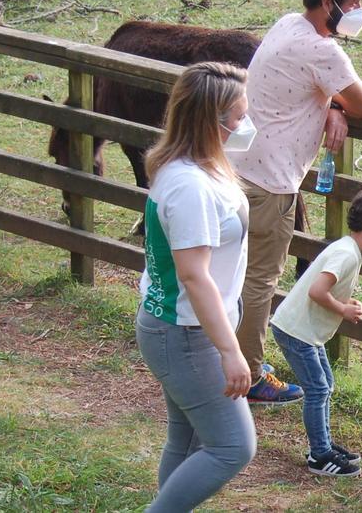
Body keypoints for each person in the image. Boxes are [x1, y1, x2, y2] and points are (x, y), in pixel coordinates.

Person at [229, 0, 362, 405]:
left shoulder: (286, 25)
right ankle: (251, 374)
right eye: (353, 4)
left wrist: (331, 102)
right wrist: (339, 103)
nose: (358, 13)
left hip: (236, 168)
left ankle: (228, 355)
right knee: (259, 280)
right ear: (329, 4)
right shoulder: (323, 52)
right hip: (271, 184)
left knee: (232, 271)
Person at [135, 62, 258, 512]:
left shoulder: (202, 167)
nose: (246, 125)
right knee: (232, 446)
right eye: (238, 117)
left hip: (184, 329)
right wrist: (229, 350)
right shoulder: (188, 185)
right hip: (186, 335)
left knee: (187, 440)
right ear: (212, 122)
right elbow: (193, 275)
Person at [270, 186, 362, 477]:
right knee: (318, 389)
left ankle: (325, 443)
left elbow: (324, 290)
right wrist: (342, 309)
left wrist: (344, 302)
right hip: (296, 331)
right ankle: (319, 455)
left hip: (304, 331)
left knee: (325, 385)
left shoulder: (349, 250)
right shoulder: (346, 254)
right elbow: (318, 291)